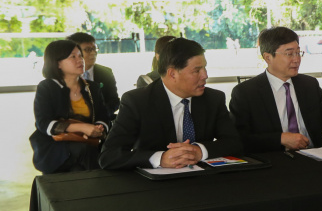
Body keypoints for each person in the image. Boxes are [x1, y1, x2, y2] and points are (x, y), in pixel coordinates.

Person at [99, 38, 242, 170]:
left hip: (202, 182)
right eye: (197, 70)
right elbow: (109, 156)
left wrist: (199, 151)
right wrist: (160, 158)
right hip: (155, 188)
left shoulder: (213, 98)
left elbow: (234, 142)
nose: (205, 75)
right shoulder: (137, 101)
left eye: (204, 68)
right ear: (172, 74)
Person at [230, 26, 322, 152]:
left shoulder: (309, 85)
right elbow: (239, 139)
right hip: (275, 162)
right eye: (289, 54)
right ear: (268, 57)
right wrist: (279, 139)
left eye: (298, 52)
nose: (296, 59)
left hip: (315, 157)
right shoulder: (246, 93)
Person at [30, 40, 110, 174]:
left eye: (80, 55)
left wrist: (98, 129)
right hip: (55, 148)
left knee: (81, 165)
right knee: (85, 152)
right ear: (58, 63)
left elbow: (103, 117)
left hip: (88, 144)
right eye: (73, 57)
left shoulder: (92, 88)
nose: (80, 60)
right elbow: (43, 123)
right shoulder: (47, 87)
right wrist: (81, 127)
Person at [68, 32, 119, 117]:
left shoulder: (106, 73)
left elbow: (114, 101)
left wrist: (101, 116)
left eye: (94, 49)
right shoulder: (65, 75)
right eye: (88, 50)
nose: (93, 53)